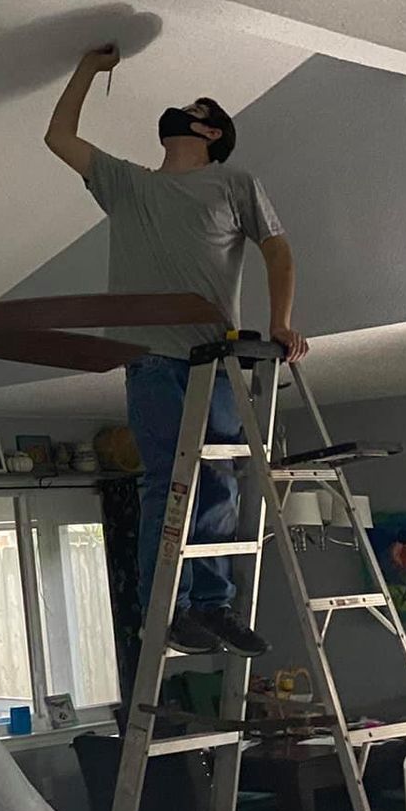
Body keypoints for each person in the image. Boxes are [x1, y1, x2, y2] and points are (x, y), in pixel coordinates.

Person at [44, 43, 308, 658]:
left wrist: (281, 323)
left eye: (194, 108)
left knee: (221, 479)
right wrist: (85, 67)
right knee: (170, 483)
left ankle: (213, 608)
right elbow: (59, 136)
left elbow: (277, 249)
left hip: (217, 359)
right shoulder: (128, 184)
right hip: (152, 360)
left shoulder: (234, 181)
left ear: (211, 131)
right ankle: (173, 610)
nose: (178, 110)